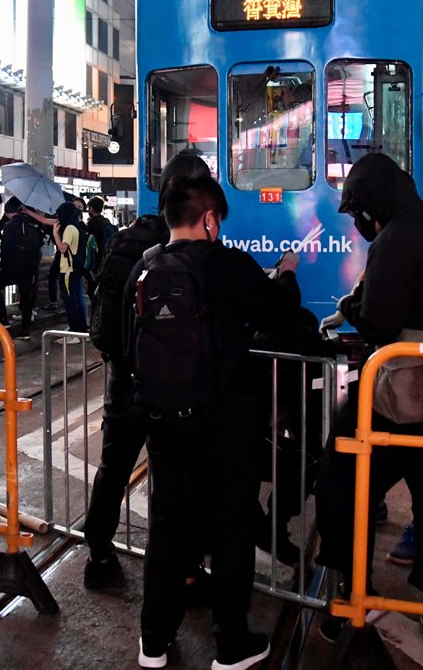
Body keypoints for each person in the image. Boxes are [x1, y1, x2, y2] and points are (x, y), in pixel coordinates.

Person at [313, 153, 423, 651]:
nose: (359, 222)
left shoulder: (396, 238)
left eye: (357, 212)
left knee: (341, 478)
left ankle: (352, 595)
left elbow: (380, 320)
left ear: (373, 202)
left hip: (396, 399)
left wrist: (350, 305)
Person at [130, 175, 302, 670]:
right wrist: (286, 275)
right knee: (231, 528)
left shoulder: (143, 268)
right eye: (218, 221)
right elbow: (281, 315)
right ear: (209, 218)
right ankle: (231, 645)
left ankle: (153, 642)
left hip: (163, 420)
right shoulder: (227, 264)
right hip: (225, 422)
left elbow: (127, 344)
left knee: (168, 527)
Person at [83, 154, 208, 590]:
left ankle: (98, 555)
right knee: (174, 480)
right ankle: (184, 571)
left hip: (121, 377)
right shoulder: (184, 248)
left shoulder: (123, 239)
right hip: (166, 388)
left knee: (112, 467)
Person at [0, 198, 44, 337]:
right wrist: (34, 270)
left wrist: (2, 265)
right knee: (26, 296)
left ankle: (3, 320)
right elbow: (36, 249)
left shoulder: (10, 225)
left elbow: (6, 249)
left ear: (8, 212)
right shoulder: (31, 223)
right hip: (29, 265)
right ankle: (25, 330)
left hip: (13, 265)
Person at [53, 202, 88, 337]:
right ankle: (81, 330)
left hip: (68, 269)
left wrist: (55, 233)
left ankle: (75, 332)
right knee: (76, 300)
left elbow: (63, 248)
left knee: (70, 302)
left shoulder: (69, 229)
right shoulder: (77, 227)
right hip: (76, 270)